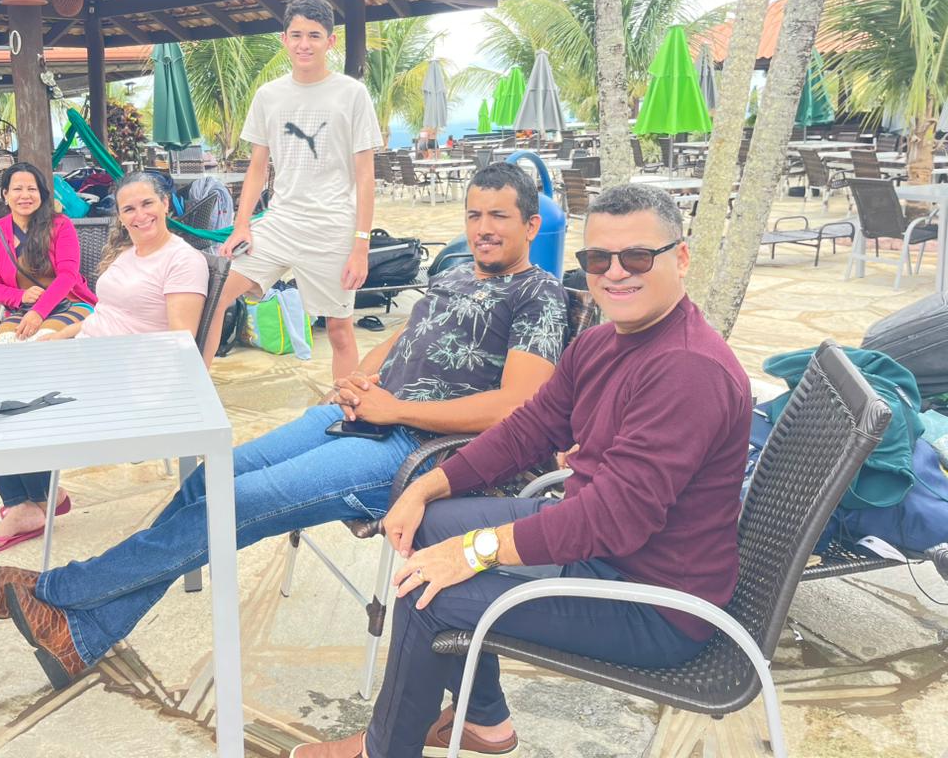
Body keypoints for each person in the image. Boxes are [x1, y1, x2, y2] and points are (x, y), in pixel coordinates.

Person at [0, 164, 570, 689]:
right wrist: (359, 378)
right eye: (474, 215)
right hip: (361, 414)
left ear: (530, 225)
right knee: (207, 481)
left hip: (419, 450)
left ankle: (62, 593)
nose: (483, 228)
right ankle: (84, 633)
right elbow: (406, 336)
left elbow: (515, 406)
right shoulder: (454, 274)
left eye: (498, 216)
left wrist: (396, 410)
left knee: (236, 500)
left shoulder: (538, 294)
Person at [294, 184, 753, 758]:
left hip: (654, 603)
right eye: (598, 259)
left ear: (679, 258)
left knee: (429, 589)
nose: (615, 273)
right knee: (431, 526)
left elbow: (613, 519)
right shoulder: (603, 343)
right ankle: (485, 722)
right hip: (602, 553)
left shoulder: (687, 369)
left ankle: (383, 750)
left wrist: (476, 551)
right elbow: (526, 431)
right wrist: (425, 487)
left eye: (637, 257)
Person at [0, 172, 208, 556]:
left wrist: (102, 360)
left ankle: (30, 503)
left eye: (147, 204)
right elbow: (105, 314)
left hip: (120, 376)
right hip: (92, 355)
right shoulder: (130, 255)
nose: (139, 215)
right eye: (128, 209)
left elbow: (178, 342)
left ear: (166, 204)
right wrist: (61, 337)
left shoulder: (182, 261)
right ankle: (34, 499)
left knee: (9, 399)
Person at [205, 0, 381, 381]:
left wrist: (361, 246)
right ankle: (195, 394)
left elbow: (366, 176)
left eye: (314, 36)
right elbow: (257, 167)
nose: (305, 44)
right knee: (215, 297)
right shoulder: (268, 95)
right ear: (284, 39)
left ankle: (345, 407)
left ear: (330, 42)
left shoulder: (352, 94)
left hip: (332, 228)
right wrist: (241, 224)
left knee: (339, 330)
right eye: (297, 35)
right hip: (280, 223)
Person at [0, 162, 97, 346]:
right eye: (18, 189)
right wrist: (20, 296)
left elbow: (68, 275)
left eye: (32, 189)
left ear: (41, 194)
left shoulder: (61, 225)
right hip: (23, 309)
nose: (25, 195)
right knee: (6, 343)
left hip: (69, 302)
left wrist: (39, 312)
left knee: (45, 340)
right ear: (5, 194)